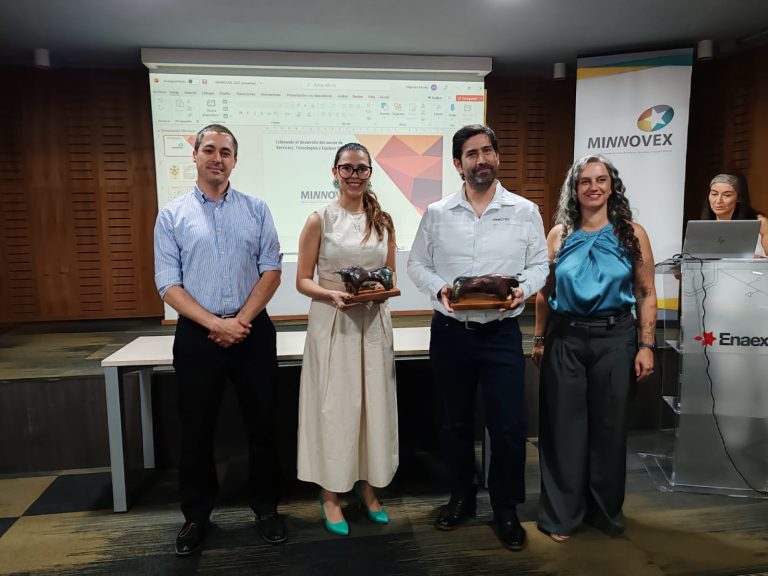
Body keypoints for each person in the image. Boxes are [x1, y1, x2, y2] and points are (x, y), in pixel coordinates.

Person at [407, 124, 549, 551]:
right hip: (451, 333)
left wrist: (523, 290)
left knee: (507, 425)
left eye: (487, 151)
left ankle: (505, 508)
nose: (481, 159)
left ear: (497, 157)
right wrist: (439, 288)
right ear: (458, 164)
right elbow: (416, 264)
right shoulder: (437, 213)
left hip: (501, 333)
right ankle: (461, 497)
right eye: (472, 154)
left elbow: (539, 265)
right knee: (454, 421)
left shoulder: (524, 210)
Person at [154, 124, 286, 556]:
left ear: (234, 160)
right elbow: (167, 283)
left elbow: (271, 270)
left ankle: (266, 508)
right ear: (194, 155)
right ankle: (196, 516)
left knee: (263, 426)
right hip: (197, 335)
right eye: (209, 149)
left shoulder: (257, 209)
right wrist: (214, 322)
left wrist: (240, 321)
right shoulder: (172, 215)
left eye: (225, 152)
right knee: (195, 430)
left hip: (252, 332)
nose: (217, 157)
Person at [532, 154, 657, 542]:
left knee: (609, 429)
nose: (593, 187)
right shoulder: (559, 234)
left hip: (616, 338)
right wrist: (539, 338)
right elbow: (544, 292)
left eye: (601, 179)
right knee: (563, 430)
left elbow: (646, 292)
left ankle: (605, 512)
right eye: (585, 181)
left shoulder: (632, 233)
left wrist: (647, 345)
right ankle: (561, 516)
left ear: (612, 185)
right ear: (574, 189)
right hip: (566, 338)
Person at [296, 142, 398, 536]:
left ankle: (368, 490)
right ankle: (330, 495)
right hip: (333, 323)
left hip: (373, 323)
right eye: (347, 168)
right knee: (335, 410)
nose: (354, 175)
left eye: (361, 169)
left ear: (370, 173)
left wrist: (381, 292)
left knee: (374, 407)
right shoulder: (319, 219)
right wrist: (331, 294)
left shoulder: (384, 221)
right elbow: (302, 280)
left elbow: (390, 276)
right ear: (335, 171)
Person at [701, 172, 768, 257]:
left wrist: (759, 260)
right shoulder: (702, 228)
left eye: (727, 195)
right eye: (714, 194)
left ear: (739, 198)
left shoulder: (760, 223)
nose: (718, 200)